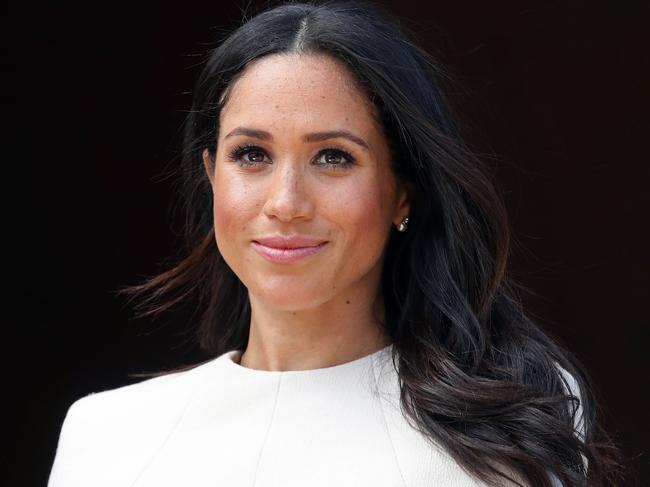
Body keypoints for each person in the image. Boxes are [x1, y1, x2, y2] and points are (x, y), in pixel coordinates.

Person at [47, 1, 623, 486]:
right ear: (211, 175)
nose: (287, 201)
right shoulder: (105, 439)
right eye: (252, 155)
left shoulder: (508, 429)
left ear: (403, 192)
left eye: (333, 157)